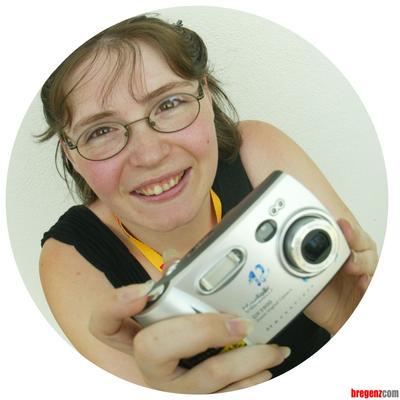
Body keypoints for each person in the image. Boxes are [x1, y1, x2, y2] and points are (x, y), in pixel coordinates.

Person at [38, 15, 378, 393]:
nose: (150, 155)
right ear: (70, 155)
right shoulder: (71, 260)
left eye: (169, 103)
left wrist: (351, 318)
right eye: (100, 131)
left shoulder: (260, 152)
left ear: (207, 96)